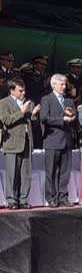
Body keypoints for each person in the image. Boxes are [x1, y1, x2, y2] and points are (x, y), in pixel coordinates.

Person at [0, 79, 41, 209]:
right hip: (12, 142)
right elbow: (6, 120)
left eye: (24, 90)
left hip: (27, 141)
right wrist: (22, 111)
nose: (23, 93)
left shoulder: (27, 103)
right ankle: (12, 200)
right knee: (12, 174)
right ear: (12, 90)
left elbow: (30, 122)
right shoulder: (4, 103)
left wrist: (33, 114)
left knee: (26, 174)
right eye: (20, 90)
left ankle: (23, 199)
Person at [41, 74, 77, 207]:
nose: (64, 87)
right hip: (52, 140)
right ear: (54, 85)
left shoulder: (68, 101)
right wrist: (62, 120)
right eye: (61, 84)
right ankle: (51, 197)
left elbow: (74, 117)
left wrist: (72, 117)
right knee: (51, 171)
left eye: (64, 84)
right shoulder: (46, 99)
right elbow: (44, 118)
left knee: (65, 171)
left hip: (66, 140)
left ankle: (63, 196)